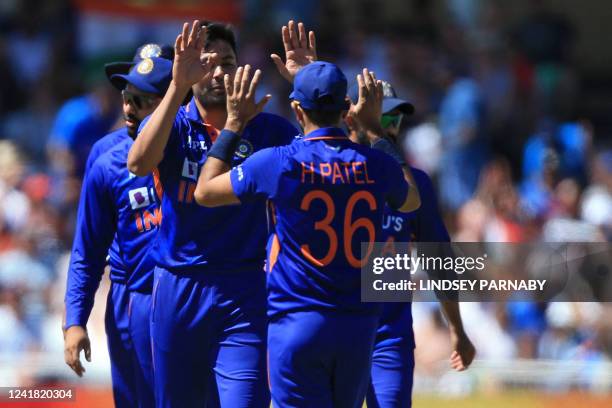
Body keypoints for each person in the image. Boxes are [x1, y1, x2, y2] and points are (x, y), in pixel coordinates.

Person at [194, 60, 420, 407]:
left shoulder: (278, 161)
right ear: (347, 109)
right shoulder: (376, 164)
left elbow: (205, 192)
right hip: (358, 327)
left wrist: (234, 124)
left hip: (298, 323)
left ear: (297, 109)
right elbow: (410, 200)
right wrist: (375, 131)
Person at [127, 20, 299, 407]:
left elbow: (321, 159)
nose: (220, 72)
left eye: (228, 61)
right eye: (208, 62)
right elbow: (138, 164)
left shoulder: (269, 130)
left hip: (243, 287)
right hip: (177, 284)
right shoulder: (175, 124)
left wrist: (304, 82)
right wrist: (176, 85)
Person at [346, 80, 476, 408]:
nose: (390, 126)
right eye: (381, 117)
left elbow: (438, 260)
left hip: (388, 334)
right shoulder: (329, 171)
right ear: (353, 117)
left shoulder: (416, 184)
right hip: (334, 324)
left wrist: (456, 328)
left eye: (395, 117)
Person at [63, 56, 173, 407]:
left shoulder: (201, 154)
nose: (128, 106)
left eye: (140, 100)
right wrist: (74, 320)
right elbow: (88, 249)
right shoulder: (107, 159)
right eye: (126, 96)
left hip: (191, 299)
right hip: (133, 303)